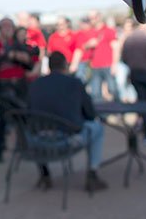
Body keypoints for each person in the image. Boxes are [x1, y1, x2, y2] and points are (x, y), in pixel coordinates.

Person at [29, 52, 108, 191]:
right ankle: (92, 174)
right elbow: (90, 114)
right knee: (97, 127)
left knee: (36, 127)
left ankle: (44, 173)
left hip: (37, 140)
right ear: (65, 65)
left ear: (49, 67)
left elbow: (27, 114)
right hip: (67, 140)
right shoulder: (75, 83)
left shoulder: (35, 84)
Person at [0, 18, 37, 163]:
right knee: (3, 119)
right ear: (0, 28)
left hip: (20, 86)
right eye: (5, 26)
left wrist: (24, 59)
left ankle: (26, 147)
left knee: (24, 117)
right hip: (3, 87)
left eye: (10, 26)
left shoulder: (18, 45)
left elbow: (30, 64)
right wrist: (8, 55)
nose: (8, 29)